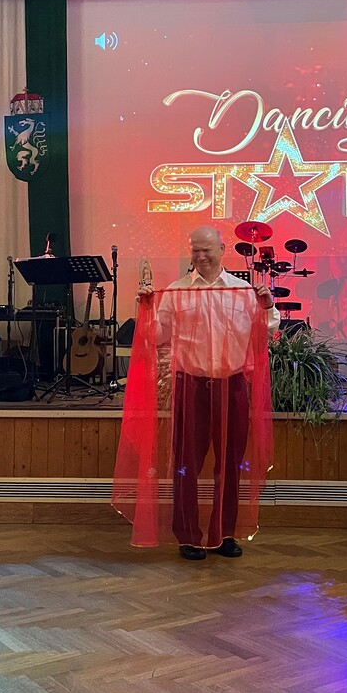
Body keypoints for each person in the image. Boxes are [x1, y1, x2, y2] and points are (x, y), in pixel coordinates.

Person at [122, 225, 280, 560]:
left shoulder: (242, 291)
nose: (201, 256)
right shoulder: (176, 292)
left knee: (230, 465)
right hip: (191, 387)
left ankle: (224, 534)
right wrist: (145, 310)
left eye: (207, 249)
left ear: (222, 249)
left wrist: (267, 306)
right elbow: (156, 336)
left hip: (232, 387)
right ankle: (188, 536)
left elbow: (268, 330)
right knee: (185, 465)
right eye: (195, 250)